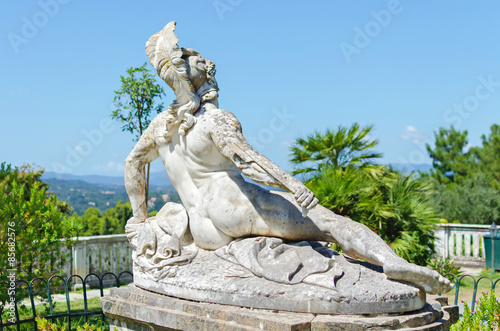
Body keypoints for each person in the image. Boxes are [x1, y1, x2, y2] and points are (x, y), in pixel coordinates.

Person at [124, 21, 452, 294]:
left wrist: (140, 219)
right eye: (208, 69)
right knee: (330, 224)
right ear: (206, 80)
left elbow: (132, 164)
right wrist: (293, 184)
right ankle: (394, 263)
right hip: (231, 206)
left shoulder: (161, 127)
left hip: (204, 231)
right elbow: (248, 162)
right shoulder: (215, 119)